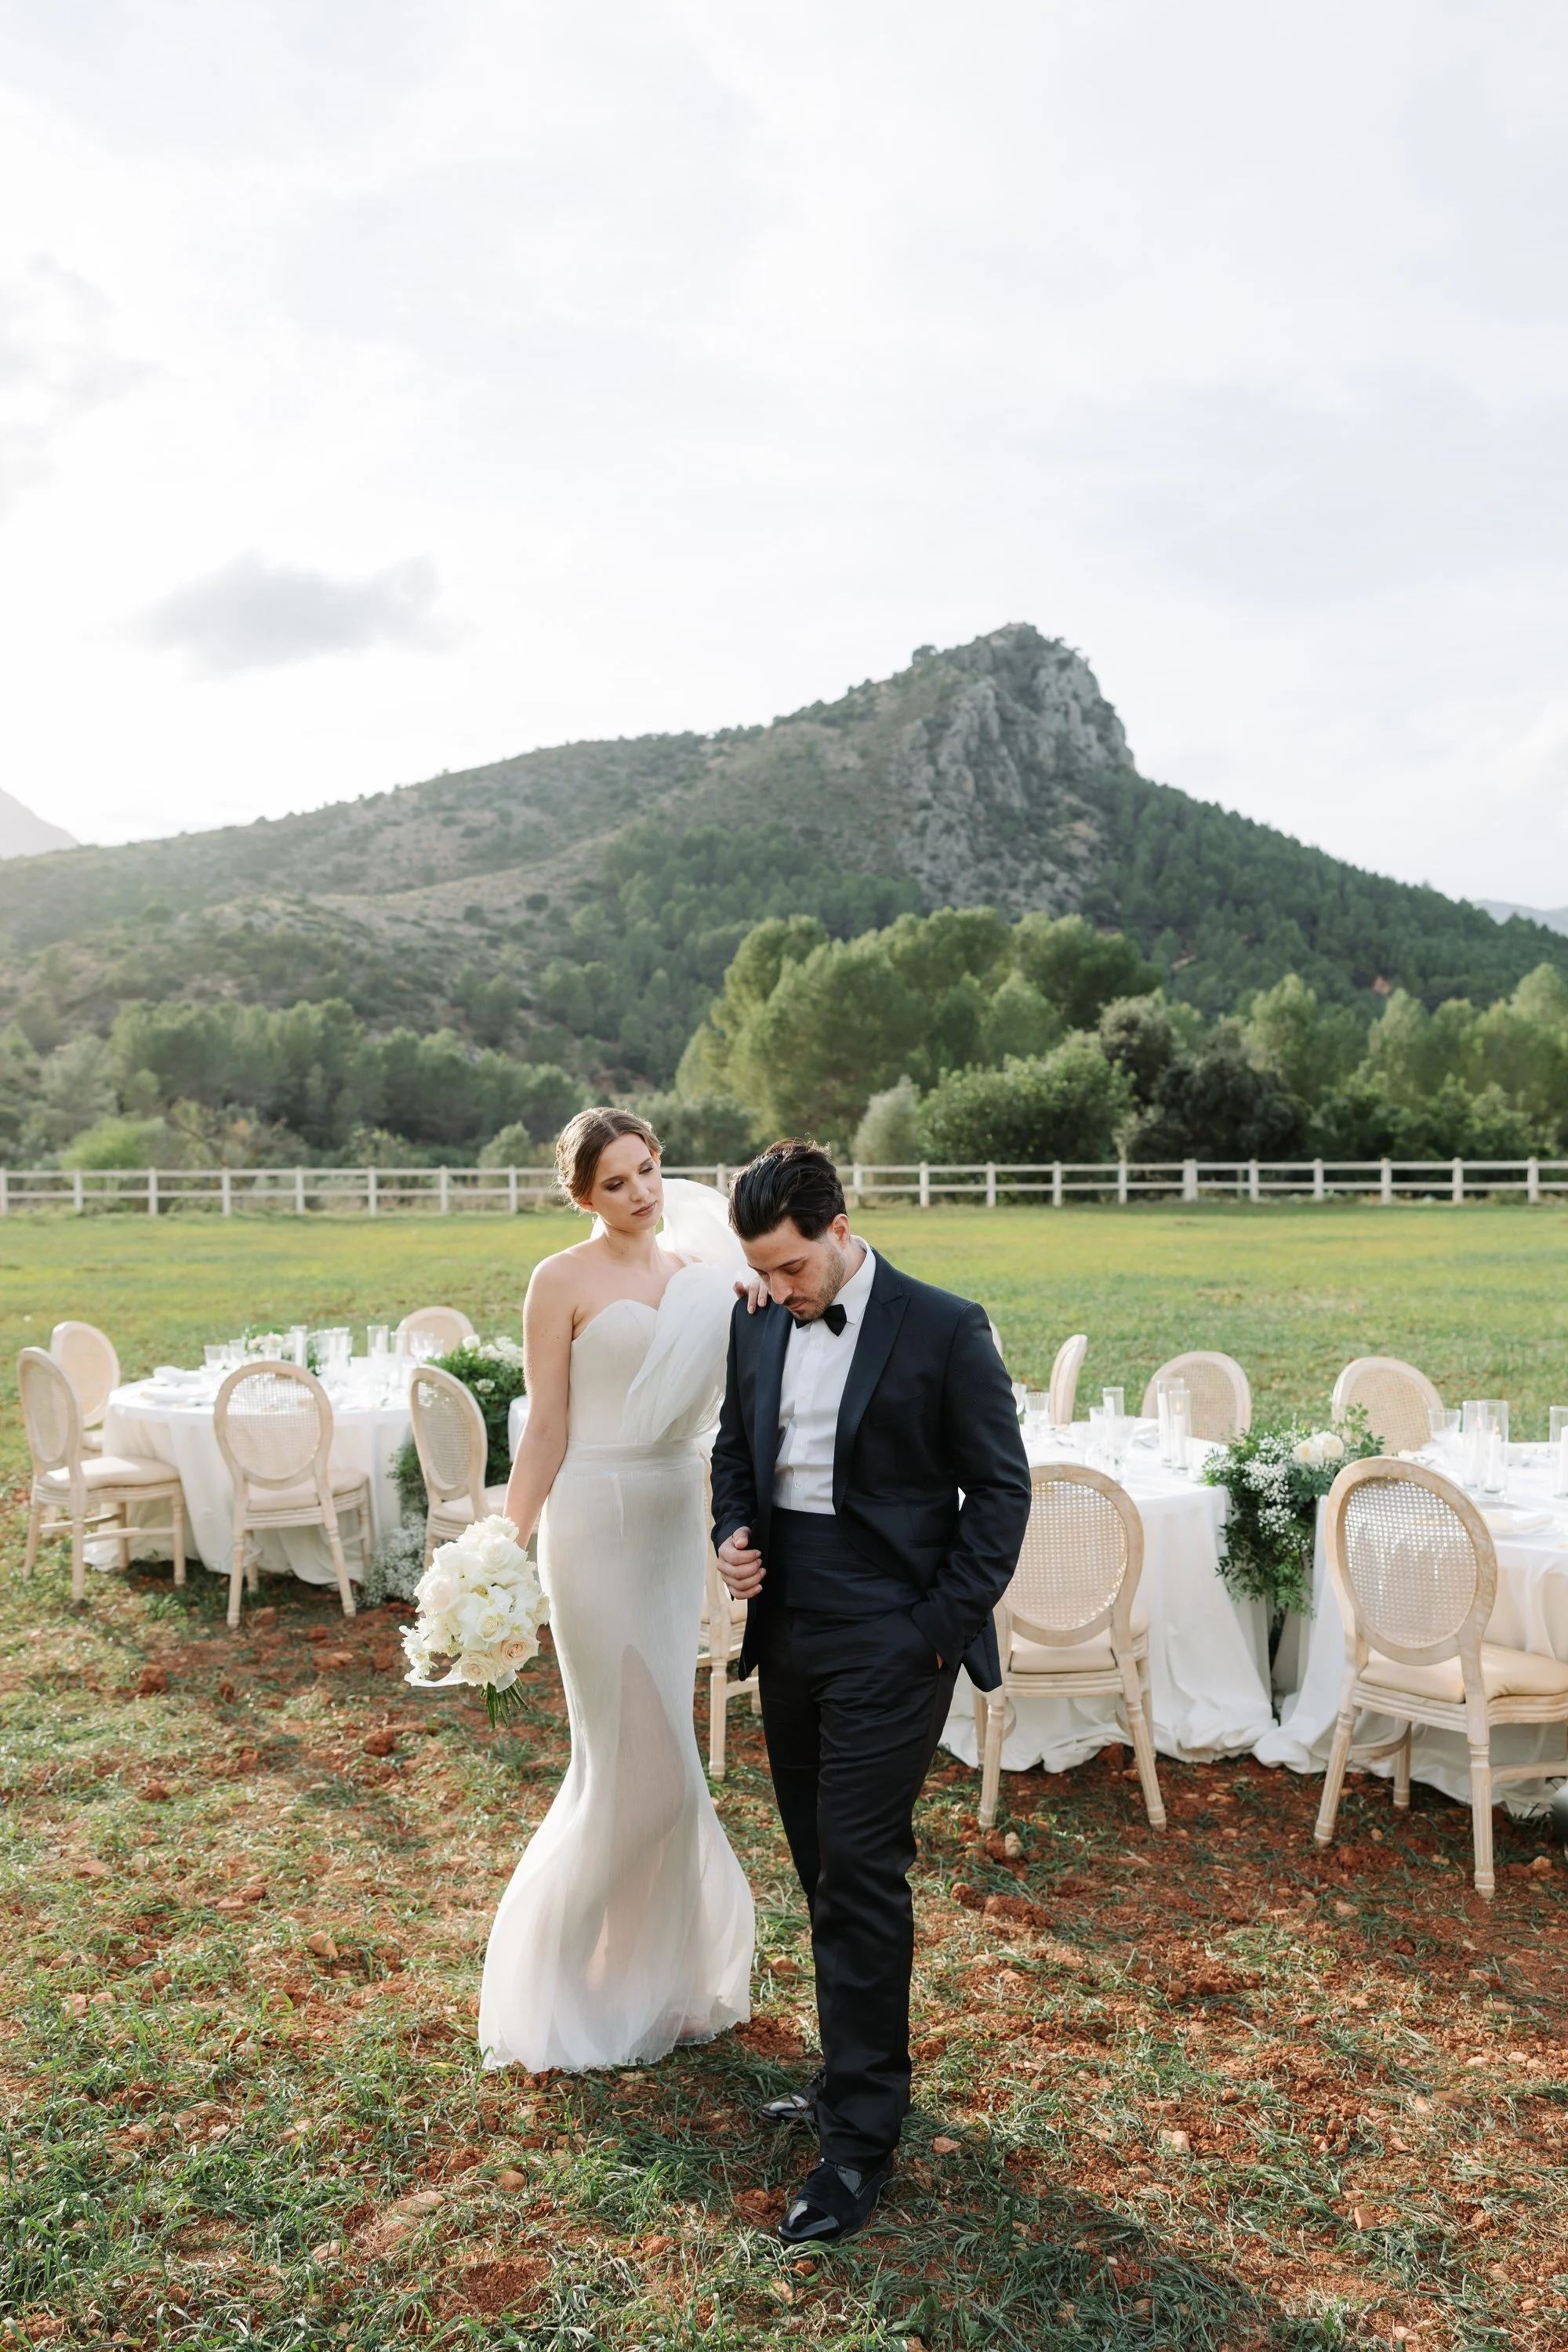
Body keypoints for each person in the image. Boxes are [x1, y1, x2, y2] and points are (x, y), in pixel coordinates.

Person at [710, 1140, 1031, 2245]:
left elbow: (999, 1490)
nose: (782, 1291)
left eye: (796, 1269)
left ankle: (858, 2141)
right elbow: (733, 1452)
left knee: (860, 1865)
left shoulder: (945, 1326)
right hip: (787, 1624)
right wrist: (732, 1534)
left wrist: (934, 1633)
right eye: (766, 1271)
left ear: (841, 1231)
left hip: (892, 1635)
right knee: (818, 1860)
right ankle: (855, 2075)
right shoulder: (754, 1313)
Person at [478, 1109, 755, 2072]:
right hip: (592, 1520)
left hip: (673, 1520)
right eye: (615, 1182)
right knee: (641, 1777)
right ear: (581, 1195)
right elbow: (546, 1427)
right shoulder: (558, 1280)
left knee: (663, 1770)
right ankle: (552, 1978)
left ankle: (636, 1979)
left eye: (648, 1171)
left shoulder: (699, 1278)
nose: (640, 1192)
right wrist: (504, 1547)